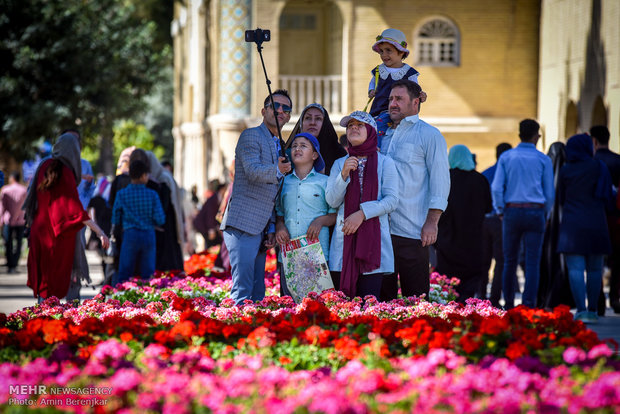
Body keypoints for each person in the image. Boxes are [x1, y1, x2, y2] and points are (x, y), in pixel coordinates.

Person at [379, 79, 450, 301]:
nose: (393, 103)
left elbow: (441, 180)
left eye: (399, 99)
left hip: (413, 231)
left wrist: (432, 221)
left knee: (416, 299)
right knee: (381, 302)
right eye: (391, 99)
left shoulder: (430, 135)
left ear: (416, 102)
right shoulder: (382, 135)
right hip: (381, 231)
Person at [222, 89, 292, 304]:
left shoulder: (280, 143)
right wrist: (278, 170)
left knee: (257, 293)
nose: (280, 111)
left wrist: (271, 227)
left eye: (286, 108)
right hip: (243, 224)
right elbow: (253, 171)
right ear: (264, 111)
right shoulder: (250, 135)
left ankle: (250, 335)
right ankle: (232, 332)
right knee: (242, 291)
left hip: (262, 228)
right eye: (275, 106)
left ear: (289, 116)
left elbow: (272, 194)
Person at [23, 133, 109, 301]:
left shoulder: (44, 165)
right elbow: (75, 209)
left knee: (44, 283)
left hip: (39, 233)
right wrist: (99, 232)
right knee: (59, 283)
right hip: (58, 237)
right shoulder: (65, 171)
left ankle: (41, 320)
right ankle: (59, 321)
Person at [326, 111, 398, 299]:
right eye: (350, 125)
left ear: (371, 131)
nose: (354, 128)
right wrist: (343, 175)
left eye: (359, 125)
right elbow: (332, 201)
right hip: (344, 244)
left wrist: (362, 213)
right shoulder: (340, 164)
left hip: (372, 246)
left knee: (369, 305)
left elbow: (392, 200)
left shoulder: (385, 163)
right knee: (343, 306)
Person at [491, 119, 554, 309]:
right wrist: (547, 213)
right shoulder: (544, 159)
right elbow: (549, 193)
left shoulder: (507, 157)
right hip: (535, 211)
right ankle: (528, 304)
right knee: (533, 261)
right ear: (537, 136)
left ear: (519, 135)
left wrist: (500, 209)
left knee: (509, 260)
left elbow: (496, 188)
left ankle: (509, 303)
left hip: (512, 210)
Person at [557, 134, 613, 322]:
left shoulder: (565, 170)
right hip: (597, 222)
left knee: (575, 269)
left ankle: (581, 310)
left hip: (572, 224)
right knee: (595, 269)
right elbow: (607, 196)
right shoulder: (599, 167)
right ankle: (594, 310)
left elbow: (560, 198)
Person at [276, 132, 337, 297]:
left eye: (303, 146)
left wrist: (320, 221)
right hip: (289, 254)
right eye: (295, 146)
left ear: (315, 155)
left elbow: (335, 215)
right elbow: (279, 214)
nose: (297, 149)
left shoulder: (325, 182)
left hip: (317, 254)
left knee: (318, 306)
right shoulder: (283, 182)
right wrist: (280, 226)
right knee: (289, 307)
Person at [436, 145, 492, 302]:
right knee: (470, 284)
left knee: (448, 285)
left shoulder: (445, 178)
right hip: (473, 241)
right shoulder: (480, 180)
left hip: (448, 241)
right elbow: (488, 207)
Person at [111, 160, 165, 284]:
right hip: (149, 234)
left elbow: (115, 218)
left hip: (129, 234)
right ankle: (147, 299)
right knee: (148, 274)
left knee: (125, 273)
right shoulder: (152, 194)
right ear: (142, 176)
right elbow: (160, 219)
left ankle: (121, 299)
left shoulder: (122, 194)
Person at [538, 142, 573, 309]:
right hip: (566, 224)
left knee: (545, 260)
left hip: (547, 223)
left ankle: (545, 297)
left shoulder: (544, 171)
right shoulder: (569, 172)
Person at [591, 125, 620, 313]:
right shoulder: (618, 160)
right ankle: (615, 297)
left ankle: (599, 298)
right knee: (617, 258)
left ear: (594, 141)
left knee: (596, 260)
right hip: (616, 216)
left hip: (595, 215)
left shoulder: (592, 161)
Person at [481, 143, 512, 306]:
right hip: (501, 220)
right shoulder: (510, 174)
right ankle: (494, 298)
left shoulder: (485, 173)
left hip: (484, 221)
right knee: (501, 261)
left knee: (484, 261)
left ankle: (480, 295)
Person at [146, 151, 186, 270]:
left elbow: (164, 205)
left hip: (166, 227)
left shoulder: (163, 179)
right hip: (168, 225)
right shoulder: (163, 176)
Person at [368, 28, 420, 117]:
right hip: (378, 109)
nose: (384, 55)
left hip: (400, 111)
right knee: (378, 128)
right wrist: (371, 90)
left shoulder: (409, 72)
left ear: (401, 52)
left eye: (388, 50)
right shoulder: (379, 70)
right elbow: (373, 82)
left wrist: (420, 94)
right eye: (381, 51)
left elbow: (415, 88)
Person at [286, 103, 347, 175]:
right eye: (308, 118)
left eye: (318, 119)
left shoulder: (339, 155)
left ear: (325, 123)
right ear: (301, 123)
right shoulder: (289, 155)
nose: (312, 123)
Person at [0, 172, 27, 273]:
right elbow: (25, 206)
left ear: (11, 178)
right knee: (19, 242)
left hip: (8, 220)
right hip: (20, 220)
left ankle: (10, 264)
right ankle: (14, 264)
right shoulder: (24, 190)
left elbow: (2, 206)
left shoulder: (5, 190)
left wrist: (1, 219)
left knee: (8, 242)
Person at [194, 181, 226, 249]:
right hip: (203, 224)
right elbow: (210, 215)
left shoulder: (219, 198)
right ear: (222, 190)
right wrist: (211, 230)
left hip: (208, 225)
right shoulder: (214, 199)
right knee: (211, 244)